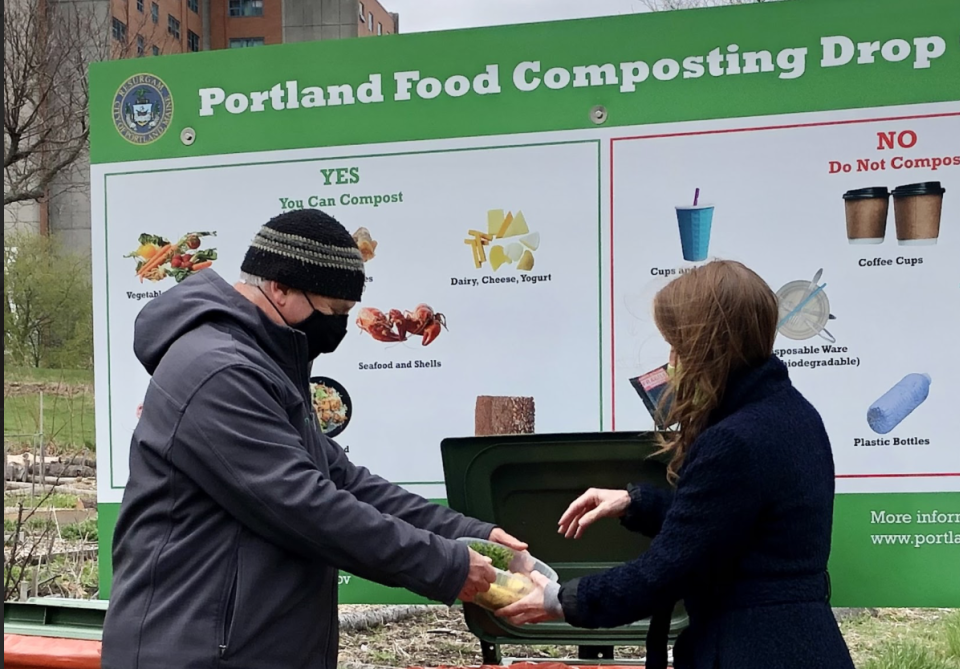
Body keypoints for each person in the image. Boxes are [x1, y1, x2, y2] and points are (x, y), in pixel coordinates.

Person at [102, 209, 523, 669]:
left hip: (245, 648)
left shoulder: (264, 364)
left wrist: (470, 535)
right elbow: (306, 506)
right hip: (194, 651)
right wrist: (449, 566)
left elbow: (344, 480)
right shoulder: (219, 371)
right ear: (280, 286)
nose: (337, 327)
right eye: (332, 311)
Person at [497, 260, 856, 669]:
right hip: (803, 641)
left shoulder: (735, 440)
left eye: (677, 346)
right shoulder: (793, 413)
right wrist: (637, 504)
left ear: (709, 347)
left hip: (749, 647)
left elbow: (666, 571)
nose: (670, 360)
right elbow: (731, 526)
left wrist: (564, 600)